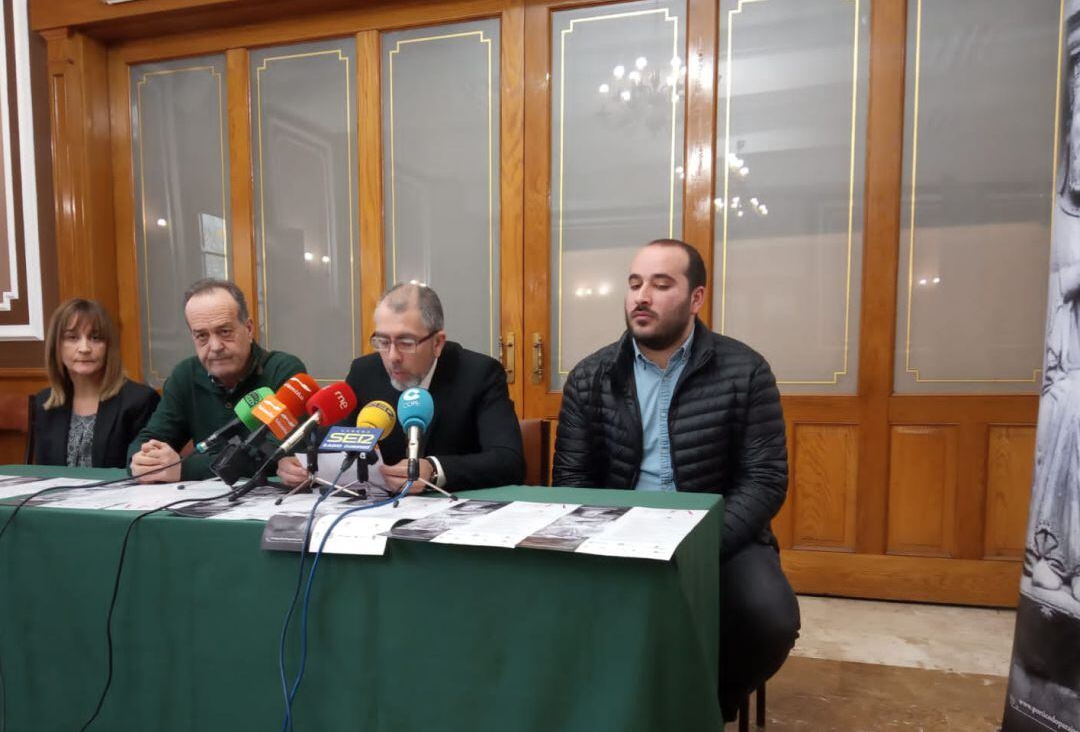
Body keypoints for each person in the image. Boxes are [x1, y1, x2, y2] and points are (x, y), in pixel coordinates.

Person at [552, 238, 800, 721]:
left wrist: (701, 542)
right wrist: (611, 538)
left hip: (720, 537)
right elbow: (572, 479)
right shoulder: (591, 375)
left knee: (770, 618)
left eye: (661, 284)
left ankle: (706, 704)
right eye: (634, 284)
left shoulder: (745, 370)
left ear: (696, 298)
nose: (641, 296)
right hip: (618, 534)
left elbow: (765, 480)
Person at [277, 283, 523, 492]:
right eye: (382, 341)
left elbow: (508, 461)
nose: (392, 356)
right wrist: (302, 465)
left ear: (437, 343)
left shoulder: (478, 374)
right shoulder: (365, 372)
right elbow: (336, 440)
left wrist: (434, 471)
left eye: (406, 342)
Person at [127, 279, 306, 482]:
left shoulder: (283, 370)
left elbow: (275, 455)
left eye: (225, 332)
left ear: (248, 329)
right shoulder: (185, 375)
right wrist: (142, 460)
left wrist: (184, 468)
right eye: (202, 336)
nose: (215, 346)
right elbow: (149, 439)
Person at [32, 298, 160, 468]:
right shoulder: (44, 402)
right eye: (72, 337)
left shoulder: (139, 401)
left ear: (108, 346)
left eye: (95, 338)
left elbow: (145, 472)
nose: (84, 348)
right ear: (57, 346)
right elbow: (43, 473)